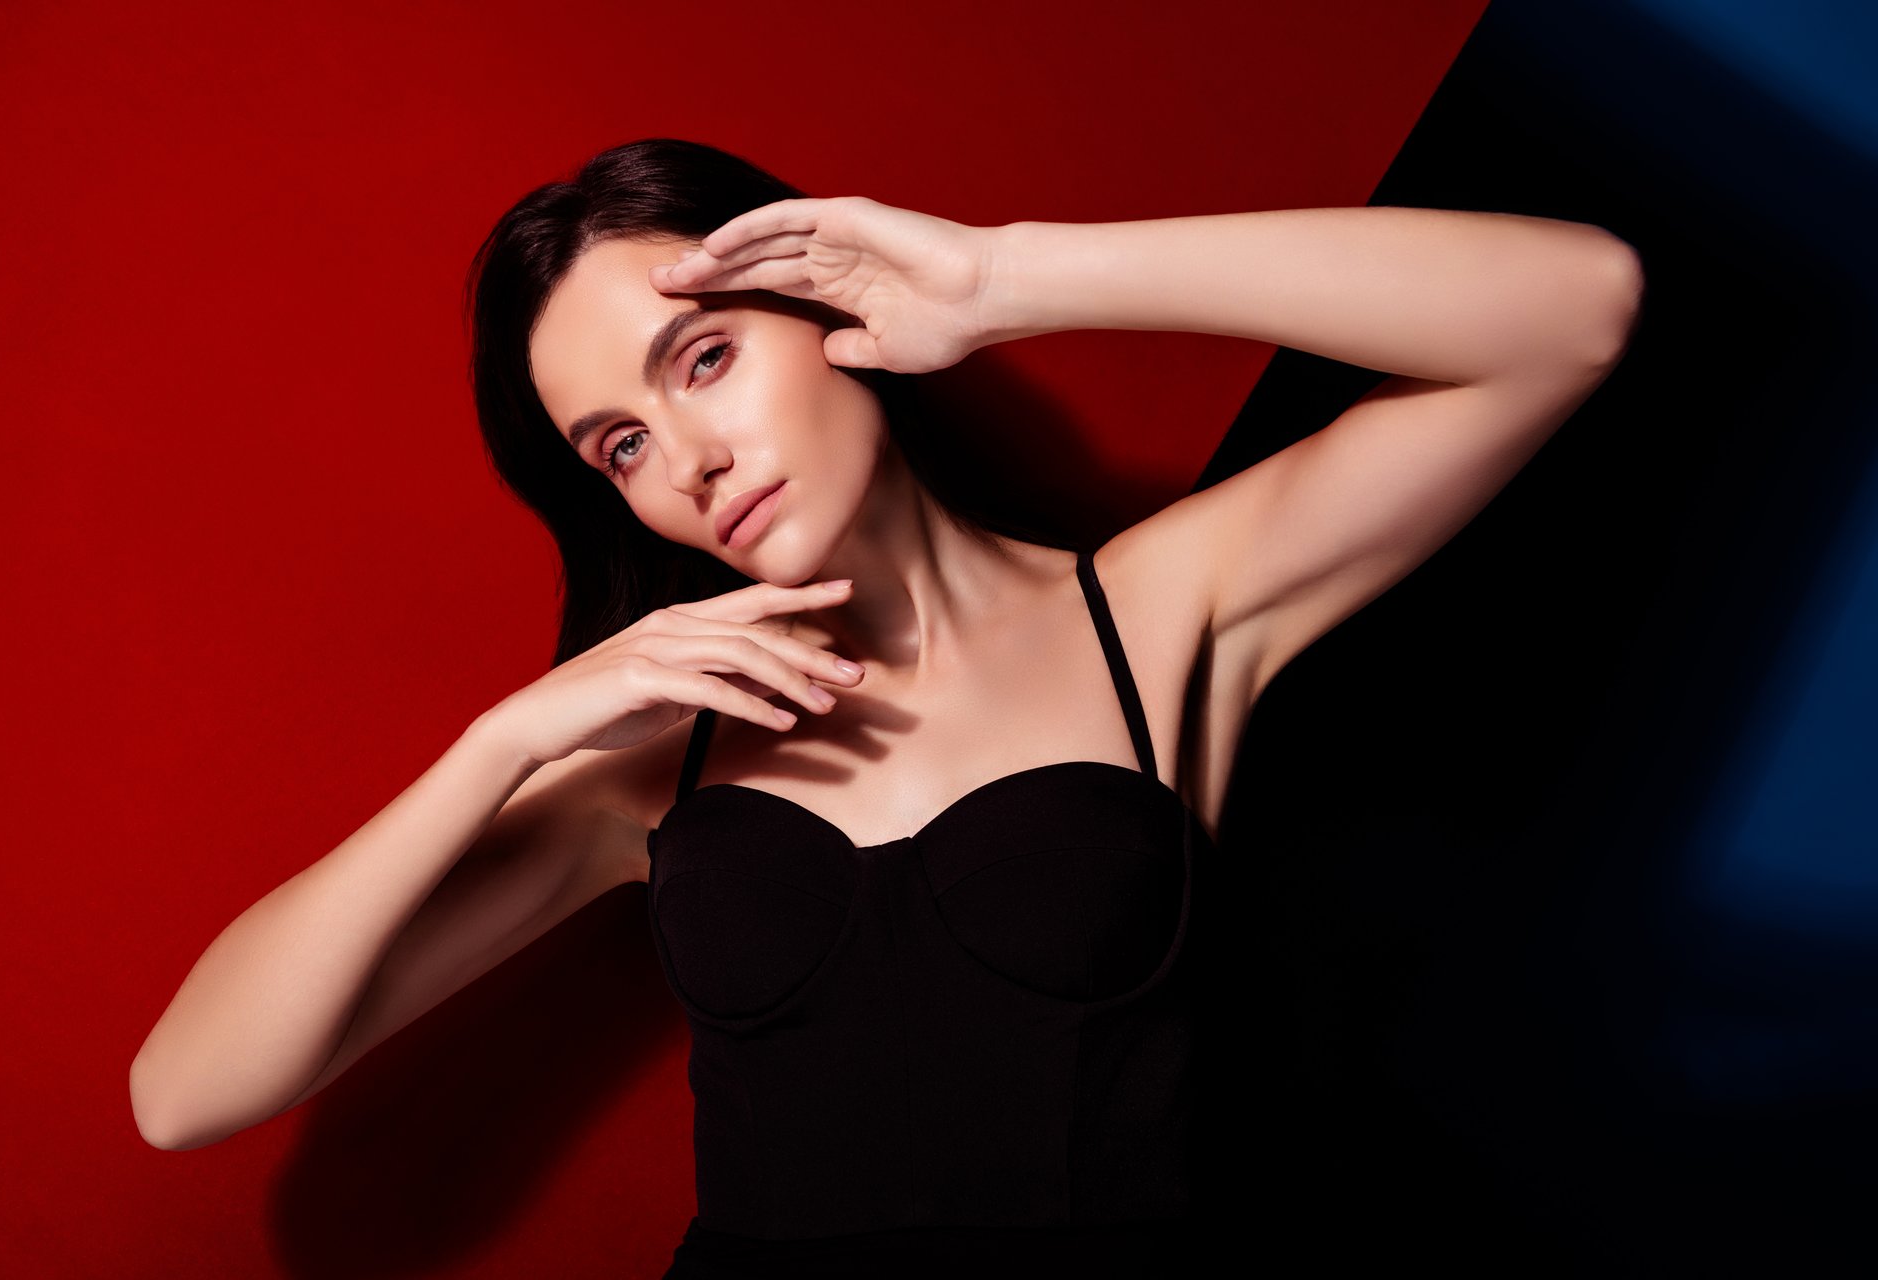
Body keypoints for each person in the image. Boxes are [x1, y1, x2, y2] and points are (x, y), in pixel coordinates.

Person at [130, 138, 1644, 1276]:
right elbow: (185, 1092)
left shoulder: (1160, 609)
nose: (689, 461)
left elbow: (1575, 307)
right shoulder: (652, 768)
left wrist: (1004, 283)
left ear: (820, 307)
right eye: (620, 447)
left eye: (704, 360)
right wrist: (505, 740)